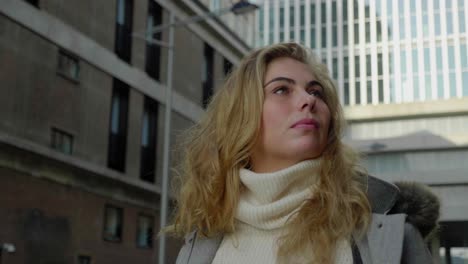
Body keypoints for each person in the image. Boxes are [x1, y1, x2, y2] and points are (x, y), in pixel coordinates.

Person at [170, 43, 439, 263]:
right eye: (281, 89)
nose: (308, 100)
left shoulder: (389, 233)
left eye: (316, 92)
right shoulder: (201, 243)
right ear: (242, 116)